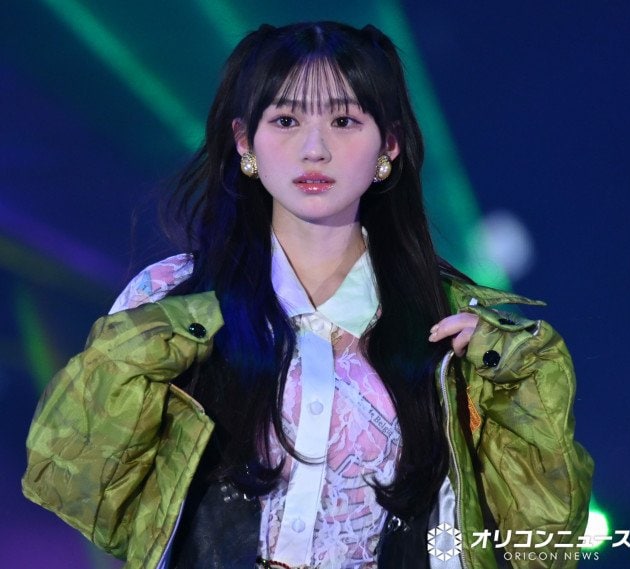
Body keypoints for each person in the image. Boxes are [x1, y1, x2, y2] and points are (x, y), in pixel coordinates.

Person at [22, 21, 593, 569]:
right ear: (244, 140)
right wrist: (144, 353)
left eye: (344, 120)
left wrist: (514, 381)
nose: (314, 148)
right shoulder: (173, 299)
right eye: (286, 120)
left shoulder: (456, 331)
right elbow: (86, 495)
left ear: (389, 143)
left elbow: (544, 544)